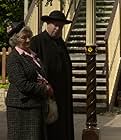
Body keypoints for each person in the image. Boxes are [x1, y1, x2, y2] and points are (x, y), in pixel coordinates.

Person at [30, 10, 74, 140]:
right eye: (55, 25)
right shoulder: (37, 42)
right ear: (47, 24)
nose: (57, 28)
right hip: (47, 94)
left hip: (62, 94)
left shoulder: (60, 42)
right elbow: (33, 68)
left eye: (60, 26)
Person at [6, 21, 53, 140]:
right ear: (15, 39)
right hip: (21, 108)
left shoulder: (32, 55)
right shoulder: (14, 58)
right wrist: (44, 88)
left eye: (29, 37)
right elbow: (22, 84)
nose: (27, 40)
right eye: (24, 38)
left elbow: (39, 74)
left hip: (35, 105)